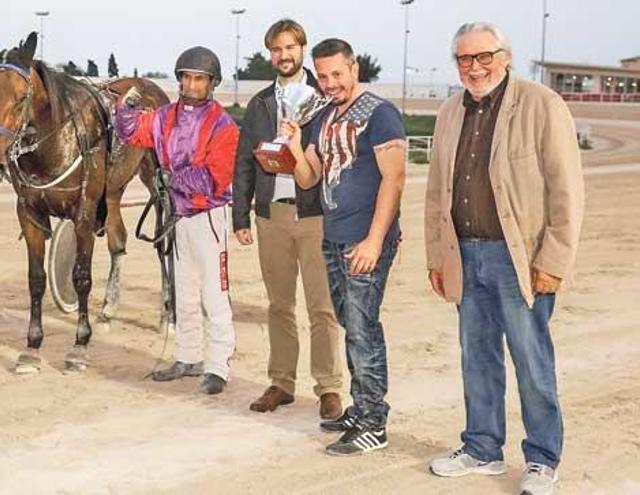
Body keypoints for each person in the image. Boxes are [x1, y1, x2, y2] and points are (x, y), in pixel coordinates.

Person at [424, 22, 584, 495]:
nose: (474, 68)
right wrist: (438, 255)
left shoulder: (541, 105)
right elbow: (437, 193)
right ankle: (482, 448)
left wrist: (553, 260)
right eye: (464, 59)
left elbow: (566, 191)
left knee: (531, 361)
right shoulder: (450, 112)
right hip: (465, 256)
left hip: (519, 260)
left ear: (506, 56)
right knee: (477, 358)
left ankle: (542, 458)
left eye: (483, 57)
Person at [281, 38, 406, 456]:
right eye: (323, 75)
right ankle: (361, 406)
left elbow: (395, 179)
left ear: (354, 69)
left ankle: (374, 422)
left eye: (337, 73)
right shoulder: (324, 117)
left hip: (365, 241)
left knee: (364, 329)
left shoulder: (380, 114)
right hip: (334, 238)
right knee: (351, 326)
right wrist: (295, 146)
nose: (330, 82)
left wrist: (374, 240)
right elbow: (306, 179)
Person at [232, 19, 344, 420]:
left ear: (302, 49)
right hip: (271, 216)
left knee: (322, 307)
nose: (283, 55)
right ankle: (281, 382)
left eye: (290, 48)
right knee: (278, 305)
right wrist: (240, 214)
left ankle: (329, 388)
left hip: (315, 214)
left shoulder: (325, 98)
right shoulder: (260, 102)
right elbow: (244, 161)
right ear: (270, 54)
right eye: (276, 49)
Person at [114, 46, 239, 395]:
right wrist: (126, 107)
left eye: (199, 78)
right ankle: (188, 356)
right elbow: (132, 133)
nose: (192, 84)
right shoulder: (165, 116)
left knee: (214, 295)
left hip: (208, 216)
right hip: (177, 217)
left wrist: (172, 180)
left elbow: (217, 177)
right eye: (186, 77)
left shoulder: (223, 125)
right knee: (183, 292)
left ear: (211, 82)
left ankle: (217, 366)